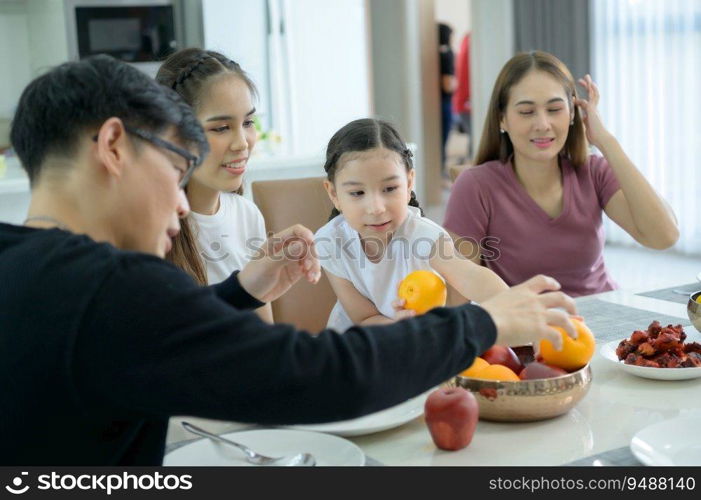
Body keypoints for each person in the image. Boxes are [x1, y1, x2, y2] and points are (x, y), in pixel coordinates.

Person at [1, 55, 576, 466]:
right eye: (175, 170)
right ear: (112, 147)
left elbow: (143, 334)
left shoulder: (30, 266)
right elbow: (319, 376)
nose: (180, 202)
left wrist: (241, 292)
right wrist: (484, 322)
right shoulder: (111, 286)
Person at [444, 51, 679, 297]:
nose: (543, 124)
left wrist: (606, 141)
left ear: (571, 114)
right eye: (526, 112)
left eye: (555, 109)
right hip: (529, 328)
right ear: (502, 119)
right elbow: (458, 296)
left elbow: (664, 236)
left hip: (605, 319)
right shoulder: (476, 186)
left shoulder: (593, 171)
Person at [315, 118, 508, 332]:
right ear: (334, 194)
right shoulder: (330, 242)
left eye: (389, 189)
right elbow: (364, 317)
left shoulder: (424, 235)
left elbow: (470, 275)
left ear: (408, 184)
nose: (376, 207)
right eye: (357, 193)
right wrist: (400, 329)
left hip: (418, 340)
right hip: (358, 346)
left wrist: (516, 306)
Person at [155, 48, 272, 322]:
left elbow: (266, 334)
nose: (243, 142)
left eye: (248, 122)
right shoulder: (151, 230)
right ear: (174, 135)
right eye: (221, 128)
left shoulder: (247, 214)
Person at [438, 23, 456, 174]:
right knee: (443, 138)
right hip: (445, 102)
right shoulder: (447, 54)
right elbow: (447, 84)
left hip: (435, 102)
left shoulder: (433, 53)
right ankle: (441, 173)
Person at [452, 32, 472, 160]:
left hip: (463, 101)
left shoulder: (466, 40)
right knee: (477, 140)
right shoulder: (471, 42)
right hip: (466, 102)